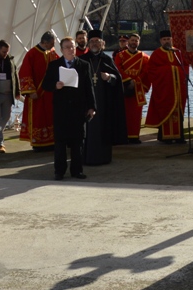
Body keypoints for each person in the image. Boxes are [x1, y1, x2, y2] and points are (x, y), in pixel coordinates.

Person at [43, 37, 96, 180]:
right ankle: (59, 171)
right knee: (60, 143)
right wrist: (56, 85)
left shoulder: (84, 65)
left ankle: (77, 170)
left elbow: (89, 87)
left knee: (78, 142)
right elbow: (45, 85)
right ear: (61, 50)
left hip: (78, 109)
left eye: (72, 46)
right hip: (61, 110)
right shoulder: (54, 65)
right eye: (67, 47)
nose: (70, 49)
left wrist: (92, 107)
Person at [80, 30, 122, 164]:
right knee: (88, 131)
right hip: (86, 101)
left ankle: (103, 158)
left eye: (97, 41)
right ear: (88, 43)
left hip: (104, 102)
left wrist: (110, 77)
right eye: (92, 41)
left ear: (102, 44)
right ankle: (86, 158)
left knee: (103, 129)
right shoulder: (82, 60)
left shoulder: (107, 59)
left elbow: (118, 78)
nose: (94, 44)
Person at [144, 29, 189, 143]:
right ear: (160, 41)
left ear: (172, 40)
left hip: (178, 89)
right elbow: (151, 71)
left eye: (168, 39)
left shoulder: (178, 52)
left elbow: (185, 67)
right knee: (164, 110)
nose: (167, 41)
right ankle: (165, 137)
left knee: (178, 113)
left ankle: (179, 136)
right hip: (163, 89)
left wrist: (176, 71)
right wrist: (171, 70)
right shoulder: (156, 54)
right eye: (164, 40)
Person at [18, 31, 58, 151]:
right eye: (51, 43)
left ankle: (51, 141)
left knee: (50, 116)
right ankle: (37, 143)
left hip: (50, 92)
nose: (53, 46)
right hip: (37, 94)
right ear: (45, 42)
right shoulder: (32, 54)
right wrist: (30, 91)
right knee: (38, 117)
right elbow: (25, 72)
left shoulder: (52, 52)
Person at [114, 33, 151, 143]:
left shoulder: (144, 57)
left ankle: (134, 136)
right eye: (132, 40)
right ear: (128, 41)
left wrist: (135, 81)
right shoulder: (120, 56)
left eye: (136, 40)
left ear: (139, 42)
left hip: (137, 87)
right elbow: (117, 69)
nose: (134, 42)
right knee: (123, 113)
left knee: (135, 114)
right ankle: (122, 136)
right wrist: (128, 80)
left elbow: (146, 72)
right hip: (123, 87)